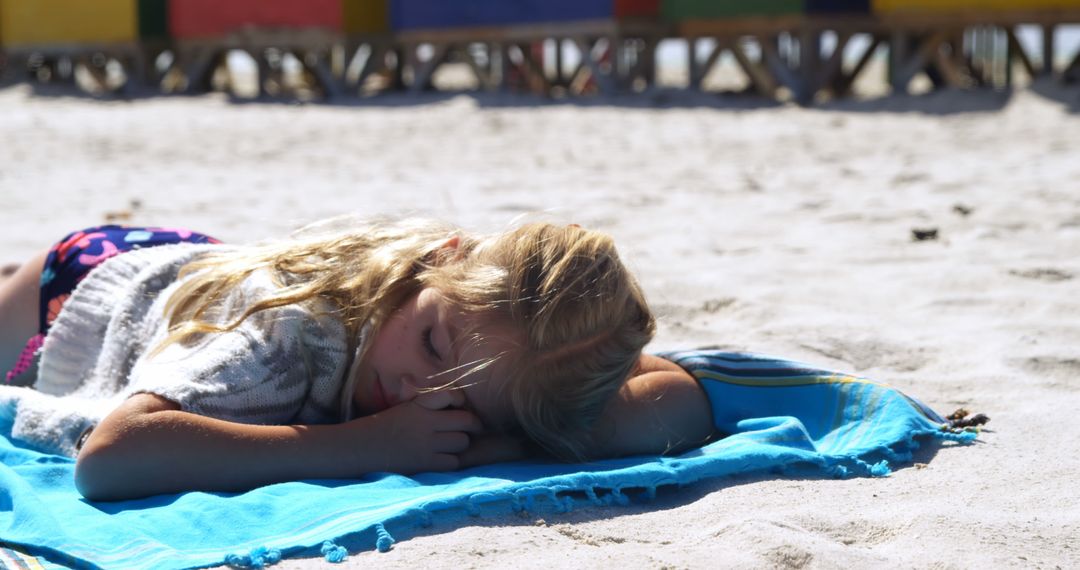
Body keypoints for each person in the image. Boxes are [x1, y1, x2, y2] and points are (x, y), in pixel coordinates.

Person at [0, 219, 714, 501]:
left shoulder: (501, 350)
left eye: (462, 395)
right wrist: (360, 445)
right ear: (444, 261)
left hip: (201, 273)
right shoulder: (279, 342)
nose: (415, 388)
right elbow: (113, 456)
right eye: (433, 342)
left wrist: (507, 433)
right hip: (87, 289)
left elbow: (677, 396)